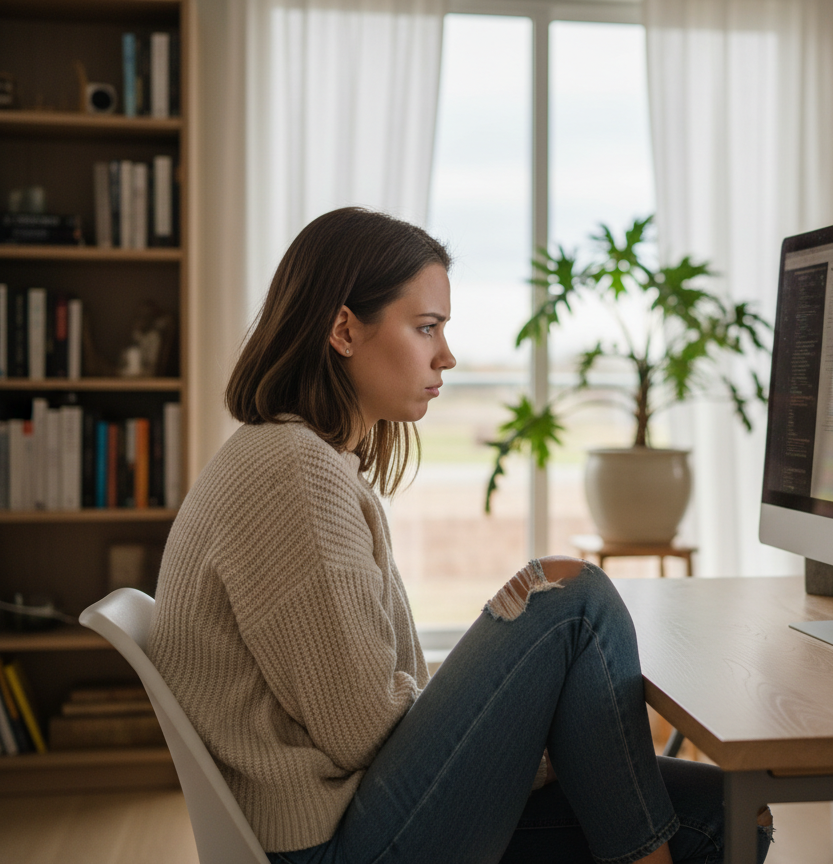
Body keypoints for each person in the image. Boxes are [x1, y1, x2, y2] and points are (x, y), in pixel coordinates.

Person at [148, 207, 773, 864]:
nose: (446, 354)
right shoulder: (292, 472)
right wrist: (523, 731)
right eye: (425, 328)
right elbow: (363, 733)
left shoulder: (295, 459)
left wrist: (525, 729)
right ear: (343, 329)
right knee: (572, 599)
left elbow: (372, 711)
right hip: (336, 844)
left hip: (352, 819)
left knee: (726, 814)